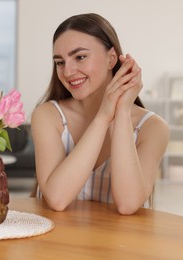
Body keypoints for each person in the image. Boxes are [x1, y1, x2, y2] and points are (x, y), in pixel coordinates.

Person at [31, 13, 169, 215]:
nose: (67, 72)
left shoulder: (153, 128)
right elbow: (57, 198)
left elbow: (128, 204)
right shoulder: (48, 116)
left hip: (120, 245)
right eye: (60, 62)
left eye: (80, 57)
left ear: (111, 58)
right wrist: (103, 117)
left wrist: (121, 111)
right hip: (57, 243)